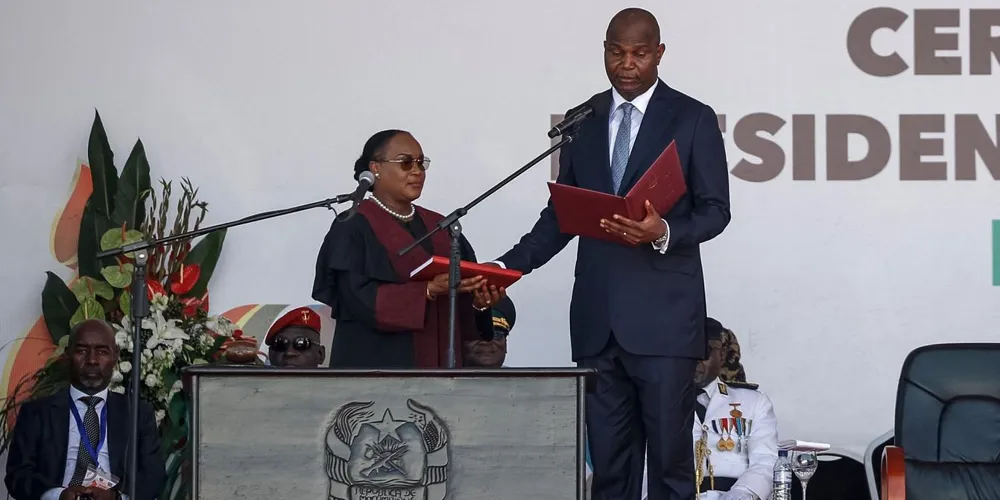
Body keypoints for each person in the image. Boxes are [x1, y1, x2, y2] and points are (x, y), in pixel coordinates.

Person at [491, 8, 730, 499]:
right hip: (598, 325)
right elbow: (561, 214)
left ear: (659, 54)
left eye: (639, 54)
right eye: (616, 52)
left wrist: (661, 230)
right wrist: (505, 267)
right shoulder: (584, 119)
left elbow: (716, 211)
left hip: (664, 325)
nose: (627, 64)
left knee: (669, 468)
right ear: (604, 50)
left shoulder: (692, 118)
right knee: (610, 473)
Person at [313, 130, 505, 368]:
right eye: (405, 163)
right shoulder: (353, 225)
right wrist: (426, 290)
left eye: (421, 163)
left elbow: (464, 320)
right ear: (376, 168)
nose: (417, 171)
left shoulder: (442, 227)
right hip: (375, 368)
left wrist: (479, 304)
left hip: (441, 372)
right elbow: (356, 299)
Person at [5, 319, 166, 500]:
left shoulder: (137, 413)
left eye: (102, 352)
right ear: (67, 355)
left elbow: (154, 476)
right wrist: (57, 495)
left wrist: (115, 497)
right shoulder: (36, 412)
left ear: (115, 355)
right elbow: (17, 474)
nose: (91, 360)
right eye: (82, 351)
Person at [690, 318, 777, 500]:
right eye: (687, 352)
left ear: (721, 355)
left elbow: (765, 461)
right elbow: (644, 466)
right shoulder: (658, 405)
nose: (695, 360)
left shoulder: (753, 402)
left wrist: (741, 494)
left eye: (704, 352)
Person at [463, 295, 515, 367]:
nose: (485, 342)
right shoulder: (445, 377)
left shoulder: (525, 378)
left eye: (496, 334)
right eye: (475, 335)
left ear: (505, 344)